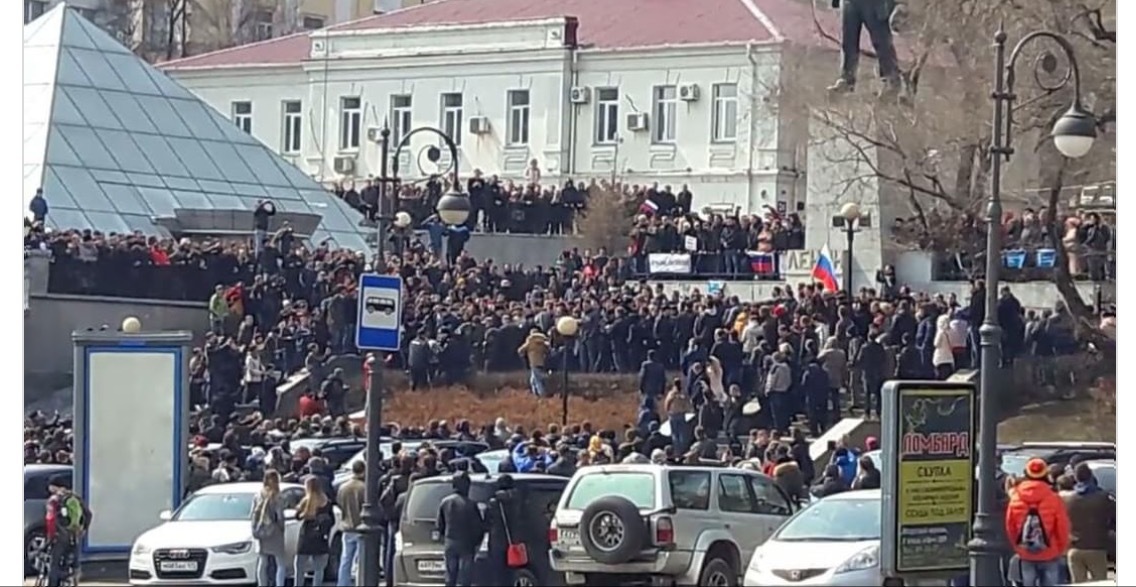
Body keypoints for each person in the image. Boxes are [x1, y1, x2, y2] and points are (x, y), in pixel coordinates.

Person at [1005, 458, 1072, 587]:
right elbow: (1062, 527)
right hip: (1050, 551)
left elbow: (1010, 526)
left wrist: (1018, 546)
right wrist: (1059, 548)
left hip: (1026, 553)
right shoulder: (1053, 498)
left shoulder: (1016, 497)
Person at [1061, 463, 1114, 583]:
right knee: (1100, 582)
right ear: (1091, 477)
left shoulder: (1069, 499)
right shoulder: (1103, 497)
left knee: (1078, 583)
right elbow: (1113, 518)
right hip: (1096, 547)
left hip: (1074, 547)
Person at [435, 472, 484, 587]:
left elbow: (439, 525)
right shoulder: (470, 504)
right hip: (467, 544)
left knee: (450, 576)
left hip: (450, 542)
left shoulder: (445, 502)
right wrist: (476, 542)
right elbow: (478, 527)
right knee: (465, 577)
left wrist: (445, 538)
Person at [45, 475, 91, 587]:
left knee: (54, 564)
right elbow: (88, 514)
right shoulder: (76, 498)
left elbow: (50, 519)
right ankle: (72, 581)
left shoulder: (54, 500)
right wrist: (83, 529)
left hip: (59, 535)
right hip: (74, 535)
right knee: (73, 563)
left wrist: (50, 537)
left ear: (55, 487)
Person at [294, 476, 335, 586]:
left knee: (299, 567)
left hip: (306, 537)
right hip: (320, 538)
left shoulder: (306, 501)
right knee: (319, 569)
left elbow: (297, 516)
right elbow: (332, 520)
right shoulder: (326, 501)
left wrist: (303, 513)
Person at [251, 470, 288, 586]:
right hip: (275, 530)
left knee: (263, 560)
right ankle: (279, 584)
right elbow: (280, 515)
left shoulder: (258, 495)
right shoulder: (278, 496)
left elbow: (253, 513)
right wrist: (282, 527)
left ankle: (262, 584)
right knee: (280, 561)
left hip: (261, 530)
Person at [484, 475, 520, 586]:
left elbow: (486, 521)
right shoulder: (517, 499)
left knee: (497, 571)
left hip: (496, 540)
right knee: (513, 569)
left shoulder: (493, 502)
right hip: (515, 539)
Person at [335, 461, 365, 586]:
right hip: (360, 527)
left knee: (346, 559)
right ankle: (359, 583)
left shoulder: (343, 487)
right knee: (360, 561)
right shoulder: (363, 487)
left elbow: (339, 504)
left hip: (347, 527)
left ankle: (342, 583)